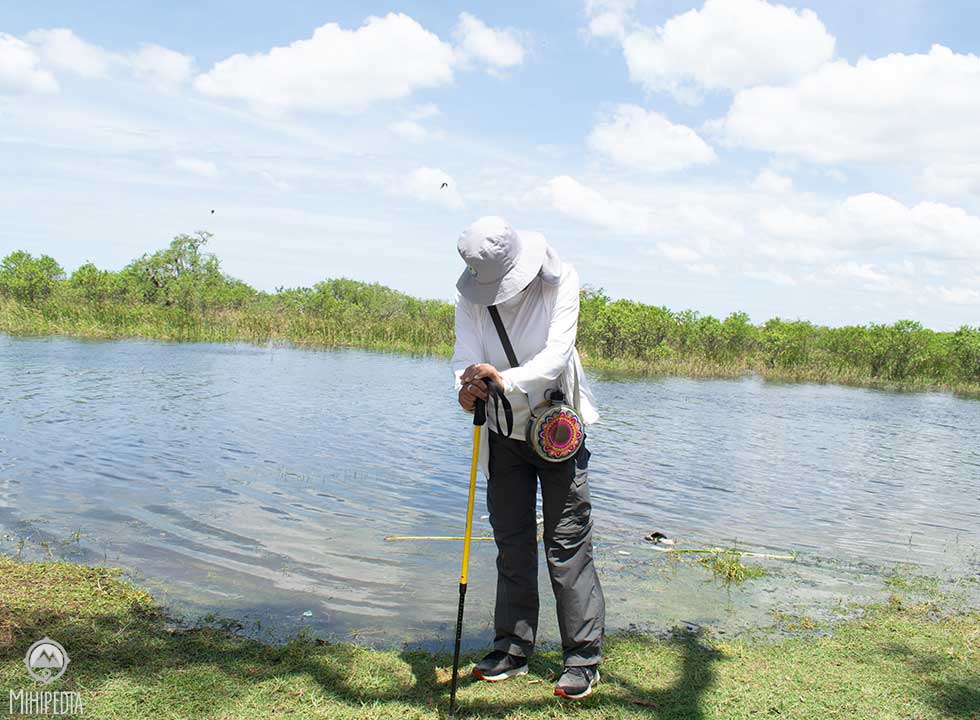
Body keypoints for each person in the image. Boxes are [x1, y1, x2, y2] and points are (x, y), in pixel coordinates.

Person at [451, 216, 605, 700]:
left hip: (557, 430)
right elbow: (462, 359)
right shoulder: (470, 297)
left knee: (567, 543)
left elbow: (556, 357)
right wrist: (466, 389)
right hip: (501, 432)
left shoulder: (561, 280)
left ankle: (582, 659)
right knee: (511, 541)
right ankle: (512, 647)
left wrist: (500, 379)